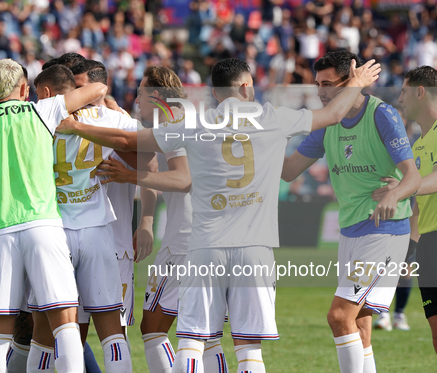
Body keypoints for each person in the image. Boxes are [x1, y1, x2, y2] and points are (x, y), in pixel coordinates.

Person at [56, 57, 381, 373]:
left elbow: (128, 140)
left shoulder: (196, 123)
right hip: (255, 249)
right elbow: (334, 113)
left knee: (191, 340)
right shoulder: (273, 117)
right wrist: (357, 82)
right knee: (248, 348)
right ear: (246, 87)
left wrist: (74, 125)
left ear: (215, 92)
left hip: (205, 246)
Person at [0, 58, 107, 373]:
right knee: (64, 322)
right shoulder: (40, 110)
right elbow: (97, 87)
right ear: (24, 88)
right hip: (42, 226)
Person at [282, 51, 421, 373]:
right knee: (359, 324)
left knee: (339, 316)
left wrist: (396, 194)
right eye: (318, 84)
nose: (321, 91)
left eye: (328, 84)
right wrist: (254, 147)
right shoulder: (326, 122)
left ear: (352, 80)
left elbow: (412, 176)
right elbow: (289, 171)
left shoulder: (382, 115)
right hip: (351, 231)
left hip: (384, 231)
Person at [95, 65, 230, 373]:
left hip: (185, 241)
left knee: (154, 328)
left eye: (140, 93)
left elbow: (183, 179)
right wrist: (145, 222)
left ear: (156, 95)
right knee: (207, 335)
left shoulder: (177, 123)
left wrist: (129, 175)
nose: (136, 100)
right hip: (217, 237)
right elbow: (157, 165)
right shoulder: (193, 117)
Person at [34, 61, 139, 373]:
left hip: (53, 230)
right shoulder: (105, 117)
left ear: (48, 92)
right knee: (111, 330)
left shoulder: (36, 116)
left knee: (46, 330)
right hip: (96, 230)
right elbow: (139, 142)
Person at [372, 66, 437, 352]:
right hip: (429, 245)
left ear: (420, 92)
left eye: (404, 92)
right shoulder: (420, 144)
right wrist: (409, 250)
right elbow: (420, 210)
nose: (400, 99)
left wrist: (401, 189)